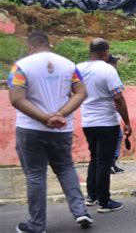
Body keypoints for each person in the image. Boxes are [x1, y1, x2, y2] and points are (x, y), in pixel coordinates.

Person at [8, 30, 93, 232]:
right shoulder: (68, 65)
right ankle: (81, 212)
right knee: (66, 168)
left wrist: (46, 118)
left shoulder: (21, 66)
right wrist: (60, 114)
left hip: (31, 129)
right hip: (62, 129)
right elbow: (81, 92)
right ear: (49, 44)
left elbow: (16, 99)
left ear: (30, 46)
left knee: (36, 176)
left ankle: (37, 225)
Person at [77, 39, 132, 213]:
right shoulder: (108, 69)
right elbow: (118, 98)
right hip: (106, 122)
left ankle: (92, 196)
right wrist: (127, 122)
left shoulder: (79, 68)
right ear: (105, 52)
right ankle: (104, 201)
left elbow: (72, 92)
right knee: (104, 162)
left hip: (87, 122)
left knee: (94, 158)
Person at [107, 54, 125, 174]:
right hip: (108, 116)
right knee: (114, 138)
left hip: (112, 115)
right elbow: (118, 98)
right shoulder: (109, 75)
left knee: (118, 137)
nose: (116, 65)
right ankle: (110, 163)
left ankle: (112, 162)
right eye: (114, 63)